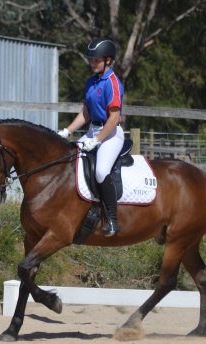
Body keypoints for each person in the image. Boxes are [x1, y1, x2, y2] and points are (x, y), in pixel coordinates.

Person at [58, 37, 125, 237]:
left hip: (111, 133)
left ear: (108, 60)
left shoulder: (112, 83)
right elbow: (85, 113)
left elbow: (114, 119)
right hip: (92, 130)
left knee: (101, 171)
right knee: (67, 159)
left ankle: (112, 219)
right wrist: (67, 131)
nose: (92, 63)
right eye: (91, 60)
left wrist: (97, 140)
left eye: (96, 60)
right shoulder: (91, 81)